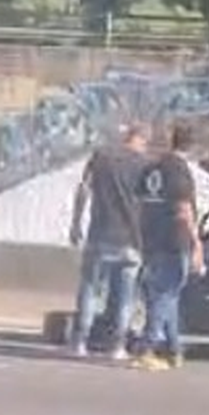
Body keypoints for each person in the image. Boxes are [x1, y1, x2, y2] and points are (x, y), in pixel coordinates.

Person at [67, 123, 148, 360]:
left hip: (100, 235)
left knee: (90, 290)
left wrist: (75, 223)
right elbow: (148, 204)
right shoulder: (145, 166)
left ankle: (79, 342)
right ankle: (117, 346)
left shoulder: (101, 157)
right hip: (132, 240)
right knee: (126, 297)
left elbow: (84, 190)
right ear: (140, 139)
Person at [133, 119, 201, 371]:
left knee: (168, 294)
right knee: (165, 294)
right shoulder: (179, 170)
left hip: (152, 238)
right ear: (191, 146)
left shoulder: (153, 168)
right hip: (174, 240)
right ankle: (146, 347)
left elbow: (140, 202)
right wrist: (197, 244)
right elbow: (183, 209)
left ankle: (174, 349)